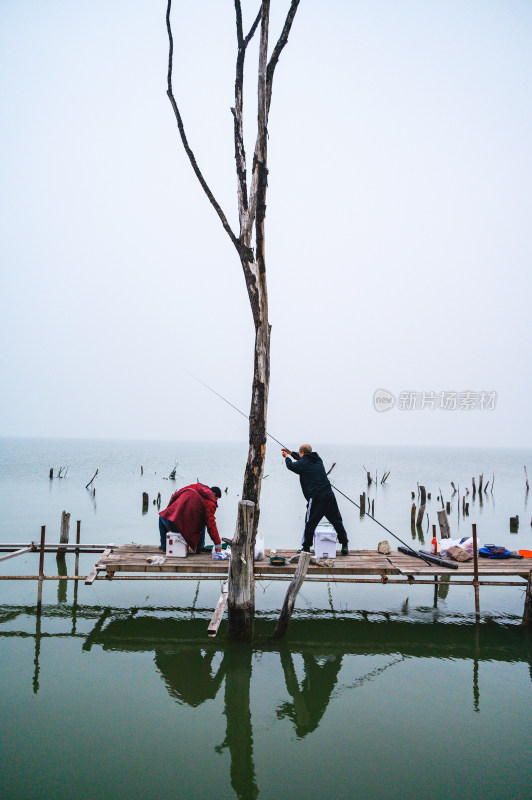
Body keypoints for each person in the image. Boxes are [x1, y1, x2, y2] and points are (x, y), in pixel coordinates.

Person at [281, 444, 349, 555]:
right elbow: (302, 459)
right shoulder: (318, 459)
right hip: (329, 495)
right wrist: (291, 453)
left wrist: (286, 458)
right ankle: (345, 544)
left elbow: (292, 466)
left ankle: (306, 547)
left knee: (310, 523)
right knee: (337, 521)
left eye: (299, 453)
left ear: (302, 453)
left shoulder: (302, 463)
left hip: (317, 498)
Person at [159, 483, 225, 558]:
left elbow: (175, 496)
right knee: (203, 520)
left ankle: (164, 546)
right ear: (214, 494)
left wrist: (171, 513)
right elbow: (211, 524)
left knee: (161, 517)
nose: (215, 501)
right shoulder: (210, 503)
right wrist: (217, 543)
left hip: (174, 524)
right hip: (189, 530)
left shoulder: (193, 487)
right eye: (216, 498)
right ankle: (200, 547)